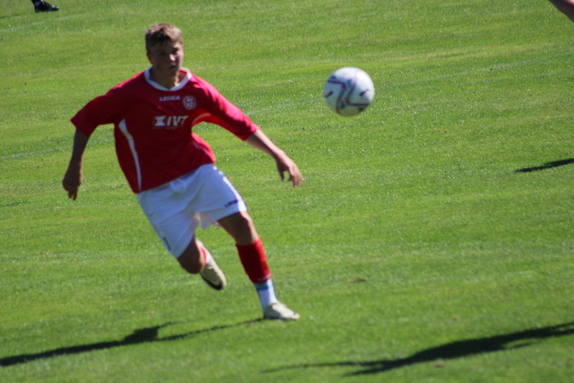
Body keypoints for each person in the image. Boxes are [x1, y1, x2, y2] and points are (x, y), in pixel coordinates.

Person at [62, 23, 303, 321]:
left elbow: (239, 122)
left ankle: (270, 303)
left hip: (197, 172)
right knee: (191, 264)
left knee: (242, 224)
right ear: (149, 57)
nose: (170, 59)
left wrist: (277, 154)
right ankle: (203, 259)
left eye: (174, 51)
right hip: (154, 190)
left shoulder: (196, 89)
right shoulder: (128, 94)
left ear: (182, 50)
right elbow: (86, 120)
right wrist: (75, 167)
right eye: (161, 54)